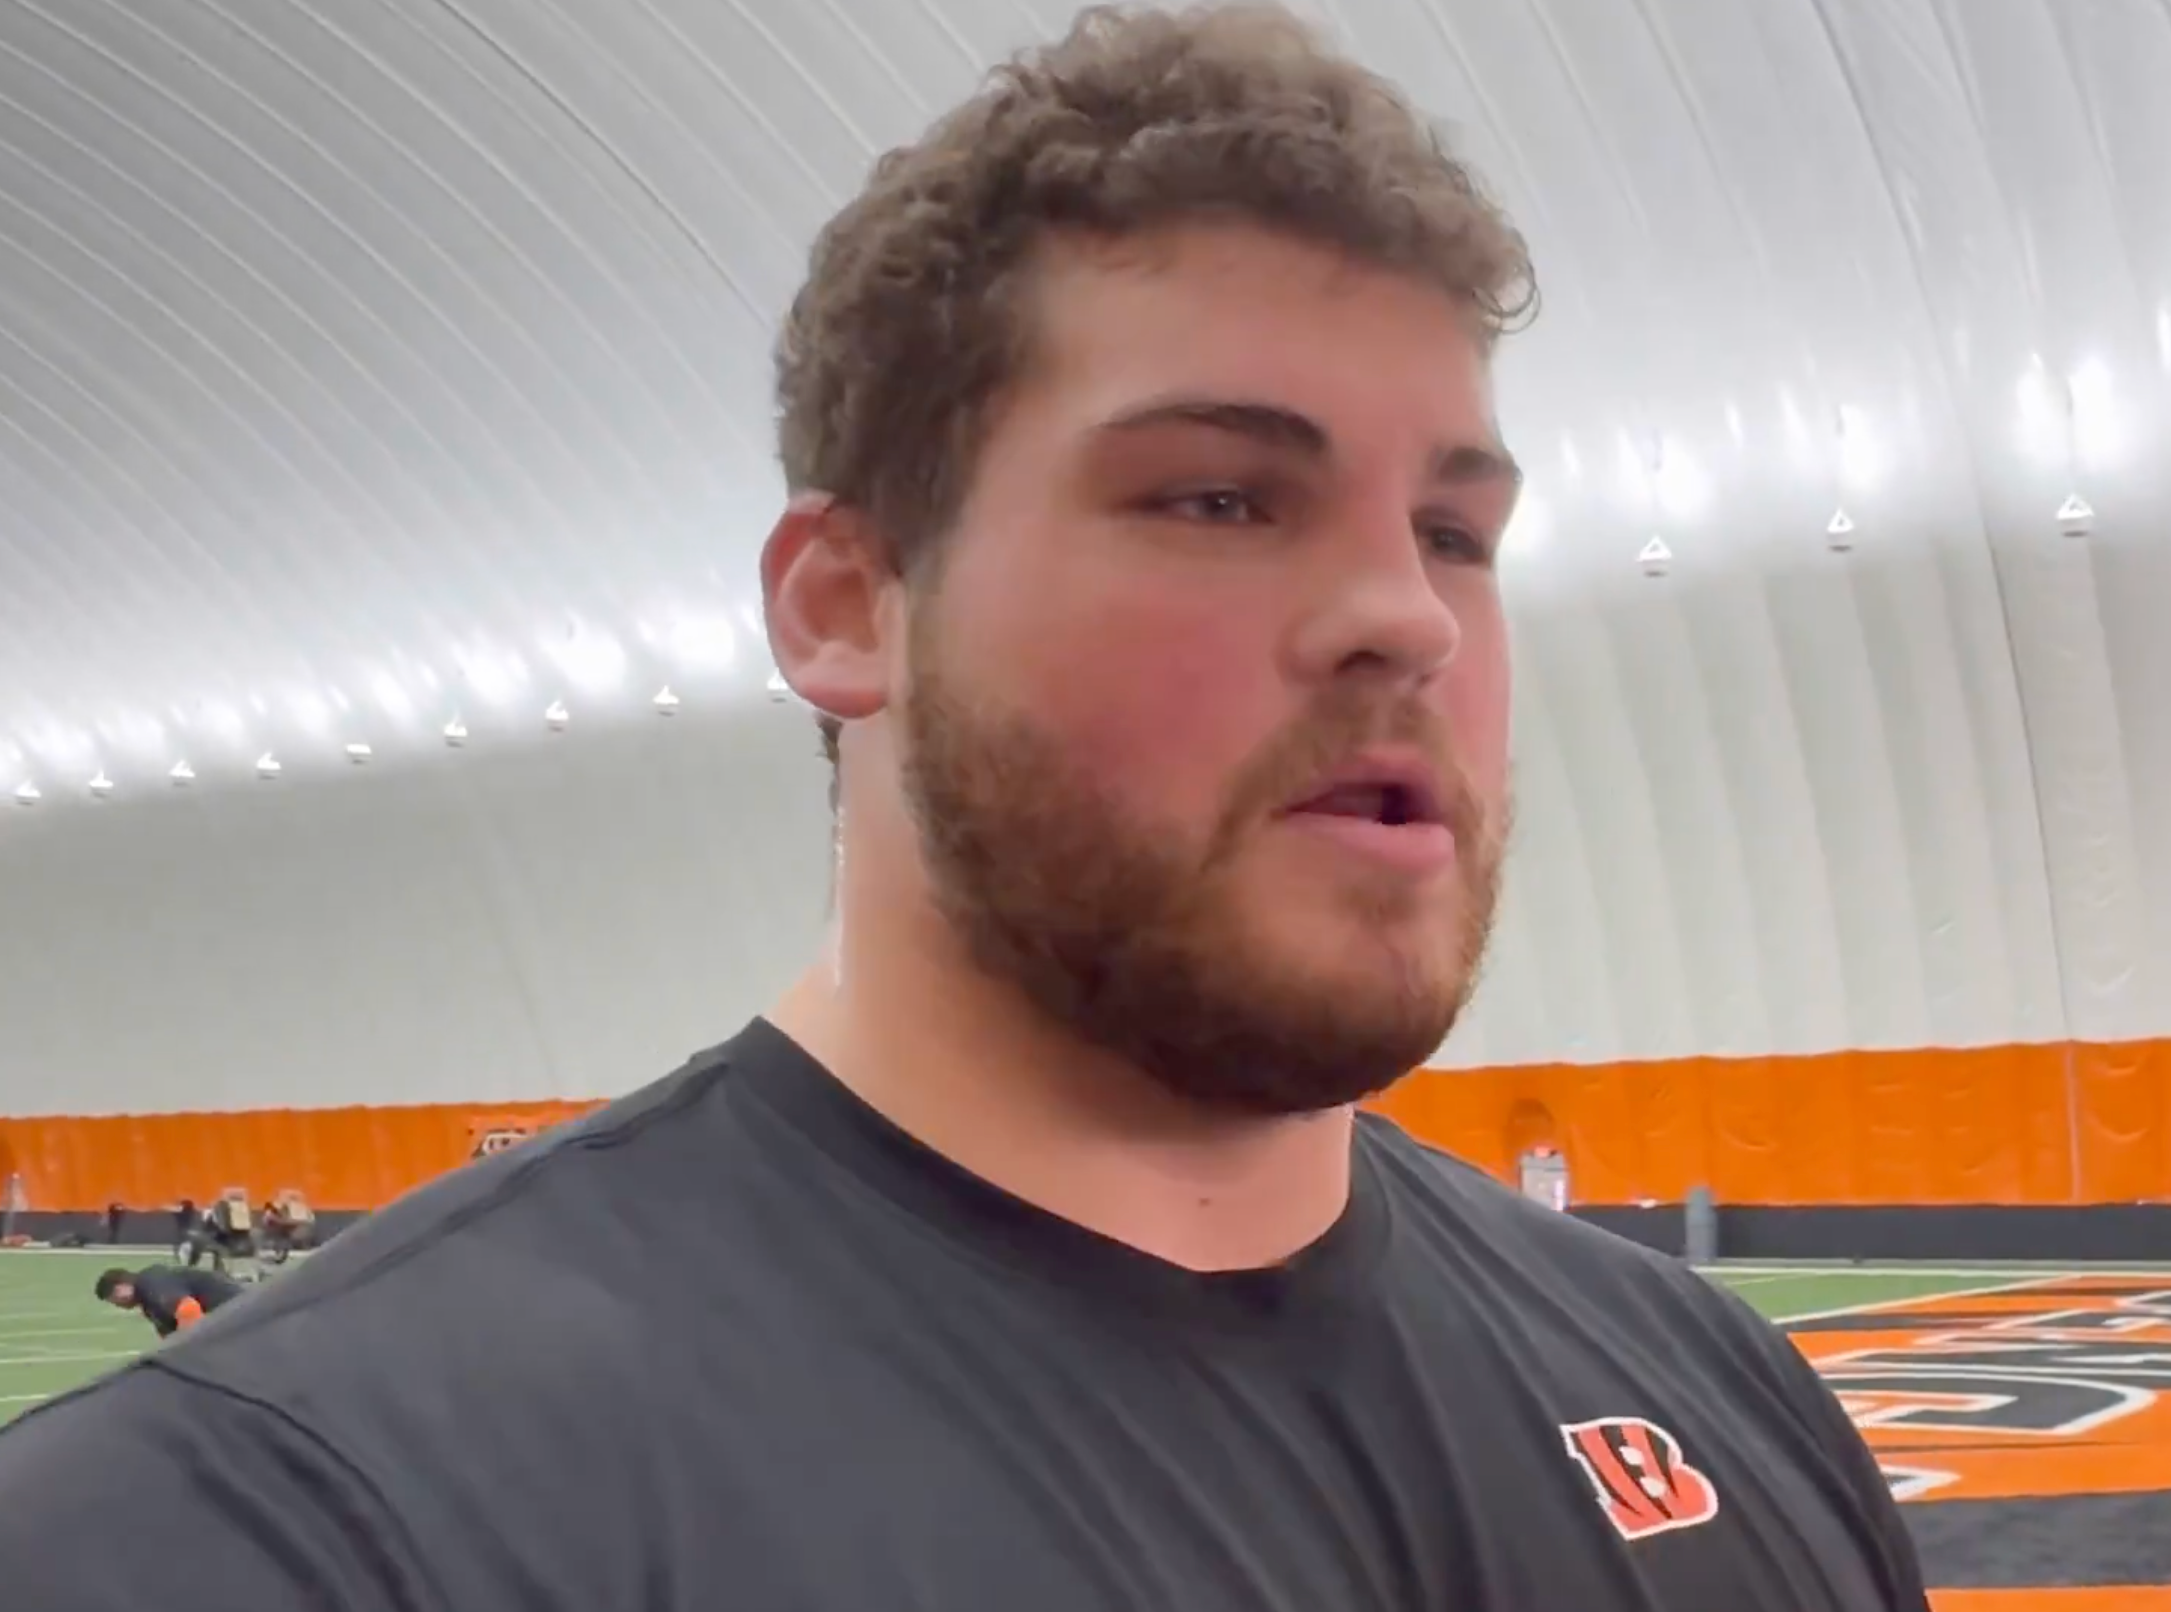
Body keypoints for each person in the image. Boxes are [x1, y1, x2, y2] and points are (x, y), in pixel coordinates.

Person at [0, 9, 1930, 1610]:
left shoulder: (1719, 1397)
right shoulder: (282, 1525)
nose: (1404, 614)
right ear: (848, 607)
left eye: (1453, 529)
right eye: (1217, 497)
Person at [94, 1265, 244, 1341]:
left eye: (113, 1299)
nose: (117, 1305)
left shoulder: (151, 1282)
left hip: (241, 1311)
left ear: (121, 1287)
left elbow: (188, 1309)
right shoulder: (148, 1303)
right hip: (232, 1318)